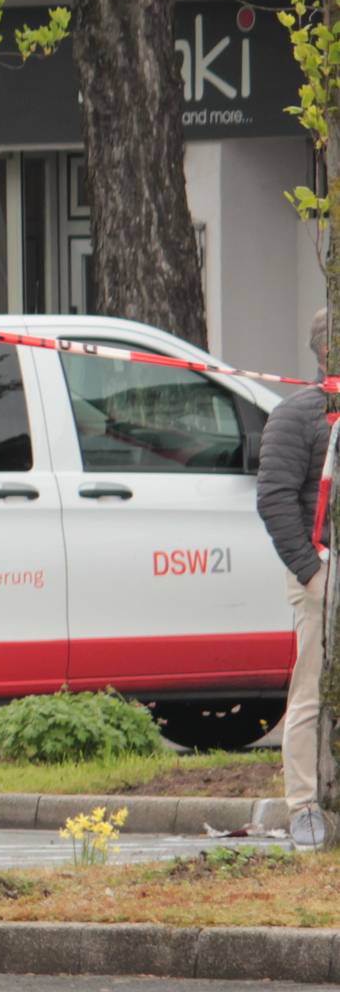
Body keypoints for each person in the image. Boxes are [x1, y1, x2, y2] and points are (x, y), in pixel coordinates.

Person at [254, 308, 335, 852]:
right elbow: (275, 497)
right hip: (324, 569)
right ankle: (303, 805)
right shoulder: (296, 414)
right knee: (309, 691)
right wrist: (311, 572)